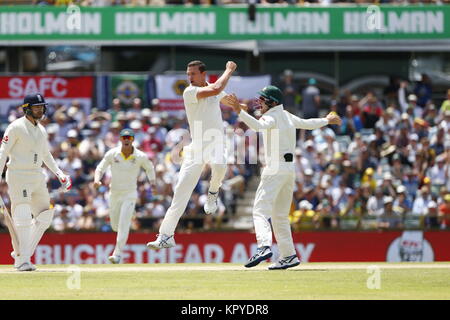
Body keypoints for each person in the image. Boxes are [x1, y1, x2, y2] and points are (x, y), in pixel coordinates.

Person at [223, 85, 341, 270]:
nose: (259, 102)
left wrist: (239, 111)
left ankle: (263, 246)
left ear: (273, 102)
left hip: (275, 168)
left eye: (263, 99)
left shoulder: (272, 116)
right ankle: (289, 255)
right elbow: (308, 123)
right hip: (289, 169)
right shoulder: (286, 115)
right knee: (279, 216)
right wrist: (327, 120)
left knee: (260, 211)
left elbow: (258, 126)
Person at [146, 60, 237, 249]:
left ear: (203, 74)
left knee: (219, 167)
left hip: (217, 142)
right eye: (188, 74)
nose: (189, 77)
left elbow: (232, 103)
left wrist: (244, 108)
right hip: (197, 147)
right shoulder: (190, 92)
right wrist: (228, 70)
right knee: (181, 192)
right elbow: (216, 89)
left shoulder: (213, 89)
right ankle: (166, 236)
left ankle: (213, 191)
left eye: (193, 74)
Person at [0, 93, 72, 271]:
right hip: (18, 175)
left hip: (37, 176)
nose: (40, 109)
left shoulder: (41, 129)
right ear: (26, 109)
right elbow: (3, 152)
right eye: (36, 107)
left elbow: (45, 154)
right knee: (23, 215)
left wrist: (59, 173)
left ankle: (21, 253)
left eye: (41, 106)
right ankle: (22, 260)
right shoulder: (15, 127)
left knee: (45, 216)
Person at [94, 128, 156, 264]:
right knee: (115, 226)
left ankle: (117, 254)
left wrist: (153, 184)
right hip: (114, 193)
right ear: (120, 139)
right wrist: (97, 180)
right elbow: (100, 168)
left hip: (130, 194)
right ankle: (122, 232)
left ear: (133, 140)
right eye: (124, 138)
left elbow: (149, 168)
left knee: (123, 224)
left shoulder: (140, 156)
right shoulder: (112, 153)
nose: (127, 140)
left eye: (129, 138)